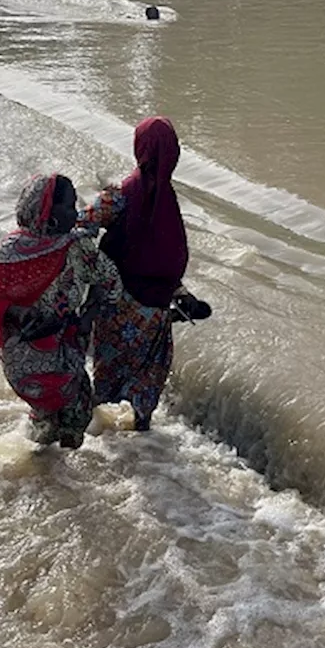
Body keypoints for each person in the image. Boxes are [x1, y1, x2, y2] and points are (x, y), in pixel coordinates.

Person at [79, 116, 211, 431]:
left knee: (108, 368)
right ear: (173, 155)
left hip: (117, 302)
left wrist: (97, 269)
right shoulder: (167, 199)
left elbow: (83, 225)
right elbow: (167, 255)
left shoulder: (123, 193)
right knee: (149, 372)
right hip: (156, 309)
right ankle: (142, 432)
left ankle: (88, 429)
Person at [0, 173, 122, 449]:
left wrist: (84, 318)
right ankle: (57, 479)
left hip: (43, 355)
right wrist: (29, 315)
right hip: (43, 354)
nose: (75, 212)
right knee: (69, 411)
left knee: (57, 414)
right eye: (68, 206)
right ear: (48, 212)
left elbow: (109, 279)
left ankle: (45, 466)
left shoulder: (24, 248)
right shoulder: (56, 250)